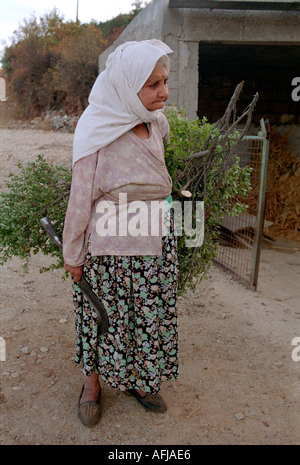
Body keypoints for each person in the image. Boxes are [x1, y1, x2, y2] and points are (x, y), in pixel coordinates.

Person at [63, 40, 179, 428]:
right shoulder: (97, 128)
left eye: (164, 81)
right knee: (102, 318)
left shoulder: (154, 121)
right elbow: (80, 199)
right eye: (153, 84)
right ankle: (92, 384)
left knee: (146, 318)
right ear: (128, 86)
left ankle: (141, 381)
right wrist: (73, 255)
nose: (163, 92)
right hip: (110, 252)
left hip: (154, 246)